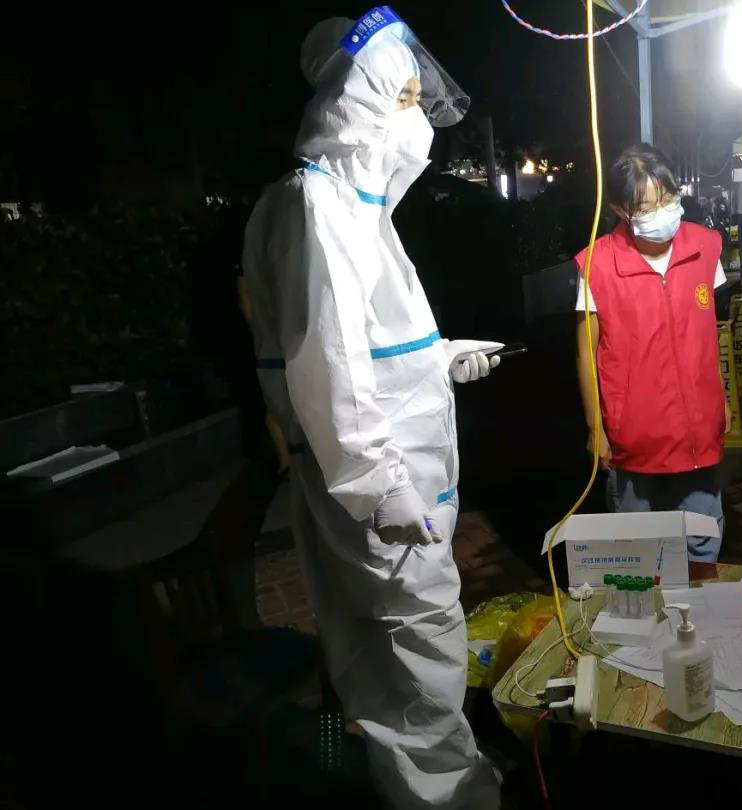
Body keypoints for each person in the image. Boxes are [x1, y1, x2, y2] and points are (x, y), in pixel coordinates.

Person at [242, 13, 501, 809]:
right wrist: (379, 489)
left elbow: (366, 348)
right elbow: (326, 368)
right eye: (405, 97)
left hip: (395, 488)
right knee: (419, 660)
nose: (417, 120)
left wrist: (440, 356)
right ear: (359, 97)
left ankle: (423, 789)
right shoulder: (316, 207)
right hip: (382, 498)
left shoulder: (356, 214)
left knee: (400, 662)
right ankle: (451, 800)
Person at [575, 144, 730, 561]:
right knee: (638, 550)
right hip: (633, 437)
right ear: (620, 210)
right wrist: (595, 428)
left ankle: (699, 599)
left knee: (701, 538)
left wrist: (723, 400)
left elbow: (708, 334)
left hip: (698, 429)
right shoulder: (597, 264)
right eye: (647, 206)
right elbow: (586, 353)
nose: (663, 213)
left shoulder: (705, 246)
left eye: (669, 198)